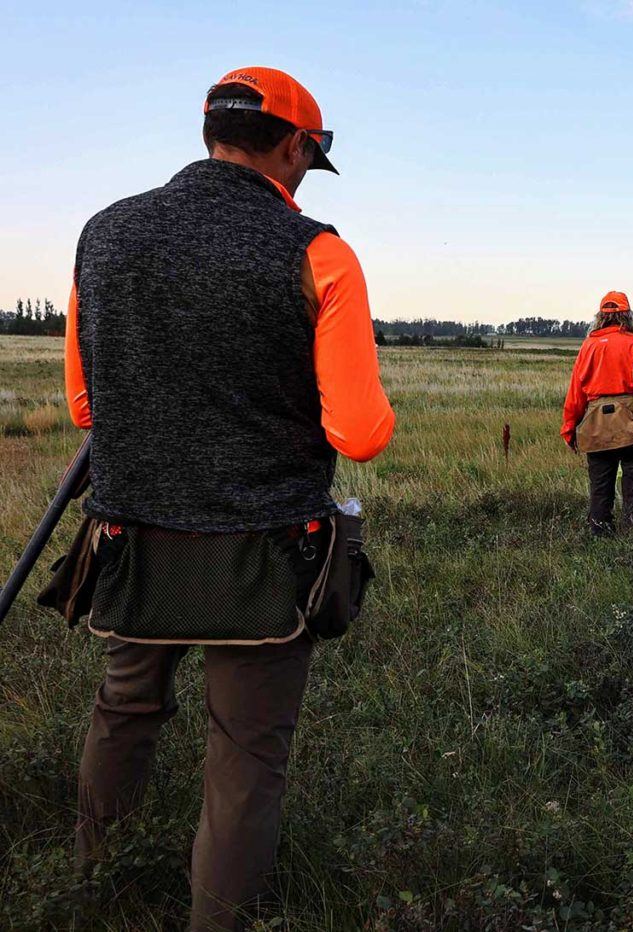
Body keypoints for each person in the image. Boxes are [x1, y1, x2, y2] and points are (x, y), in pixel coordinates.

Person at [65, 67, 395, 930]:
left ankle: (96, 879)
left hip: (131, 535)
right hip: (263, 548)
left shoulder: (103, 234)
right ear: (294, 145)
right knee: (247, 750)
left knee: (123, 708)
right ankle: (218, 917)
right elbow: (359, 434)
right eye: (305, 161)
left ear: (212, 131)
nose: (300, 178)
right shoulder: (319, 252)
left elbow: (84, 408)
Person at [561, 292, 633, 535]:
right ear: (627, 316)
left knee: (600, 489)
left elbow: (575, 395)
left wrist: (569, 430)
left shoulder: (587, 347)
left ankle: (600, 537)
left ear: (600, 317)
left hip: (596, 427)